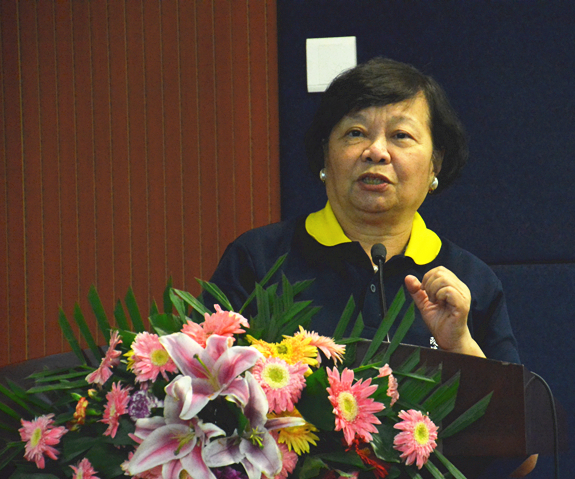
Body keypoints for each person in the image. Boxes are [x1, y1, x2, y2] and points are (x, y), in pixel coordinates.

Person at [209, 57, 519, 365]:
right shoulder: (259, 260)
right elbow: (201, 373)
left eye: (400, 136)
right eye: (356, 133)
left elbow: (514, 398)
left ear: (434, 164)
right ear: (325, 155)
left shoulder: (471, 280)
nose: (377, 152)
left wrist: (460, 344)